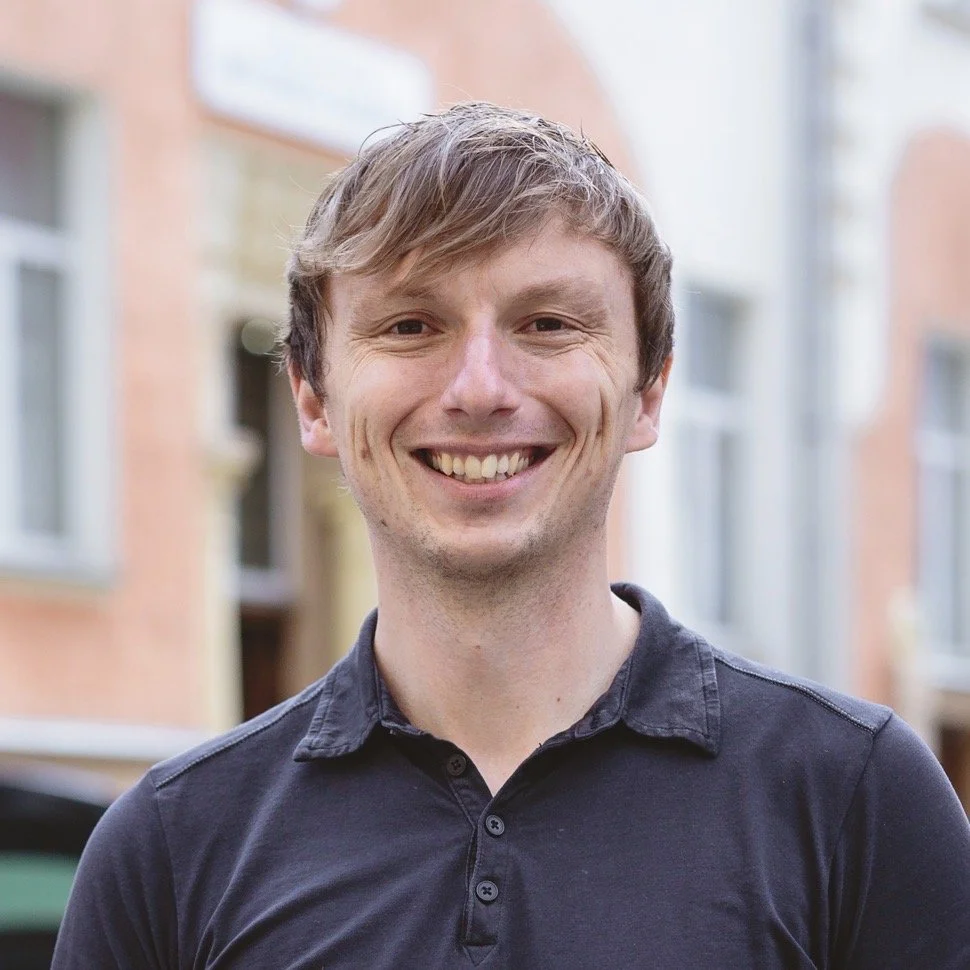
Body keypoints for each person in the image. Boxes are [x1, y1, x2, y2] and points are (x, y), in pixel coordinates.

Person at [53, 102, 969, 969]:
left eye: (547, 324)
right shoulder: (169, 848)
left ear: (649, 391)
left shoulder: (853, 797)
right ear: (312, 397)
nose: (481, 387)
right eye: (411, 326)